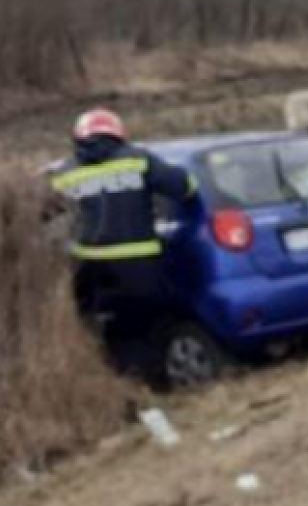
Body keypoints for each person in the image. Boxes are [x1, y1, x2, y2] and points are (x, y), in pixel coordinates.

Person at [48, 109, 197, 368]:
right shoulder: (138, 159)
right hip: (137, 264)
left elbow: (39, 212)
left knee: (99, 324)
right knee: (147, 324)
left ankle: (113, 378)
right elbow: (184, 187)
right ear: (118, 133)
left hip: (90, 267)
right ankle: (153, 382)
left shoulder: (64, 171)